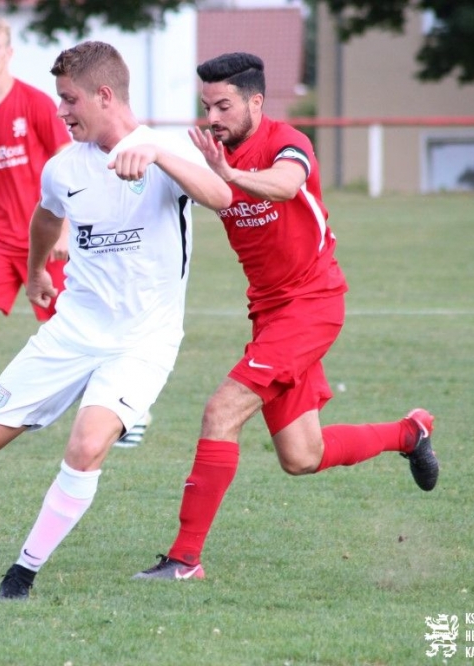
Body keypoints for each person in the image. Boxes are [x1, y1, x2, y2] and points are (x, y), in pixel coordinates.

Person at [0, 41, 232, 600]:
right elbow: (46, 220)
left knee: (87, 444)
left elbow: (221, 196)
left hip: (143, 341)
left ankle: (21, 573)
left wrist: (158, 156)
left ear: (104, 95)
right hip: (74, 330)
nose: (61, 111)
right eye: (59, 99)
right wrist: (33, 274)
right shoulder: (63, 168)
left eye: (70, 99)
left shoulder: (166, 150)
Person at [133, 52, 440, 582]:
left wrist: (229, 173)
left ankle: (184, 560)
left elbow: (287, 184)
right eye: (207, 106)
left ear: (256, 102)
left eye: (224, 106)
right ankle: (409, 434)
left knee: (221, 412)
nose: (213, 118)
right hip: (269, 314)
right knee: (302, 455)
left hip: (313, 304)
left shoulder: (287, 142)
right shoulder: (210, 152)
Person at [0, 17, 151, 448]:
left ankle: (127, 405)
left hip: (46, 240)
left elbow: (72, 162)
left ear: (9, 53)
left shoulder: (38, 104)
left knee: (82, 333)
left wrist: (63, 230)